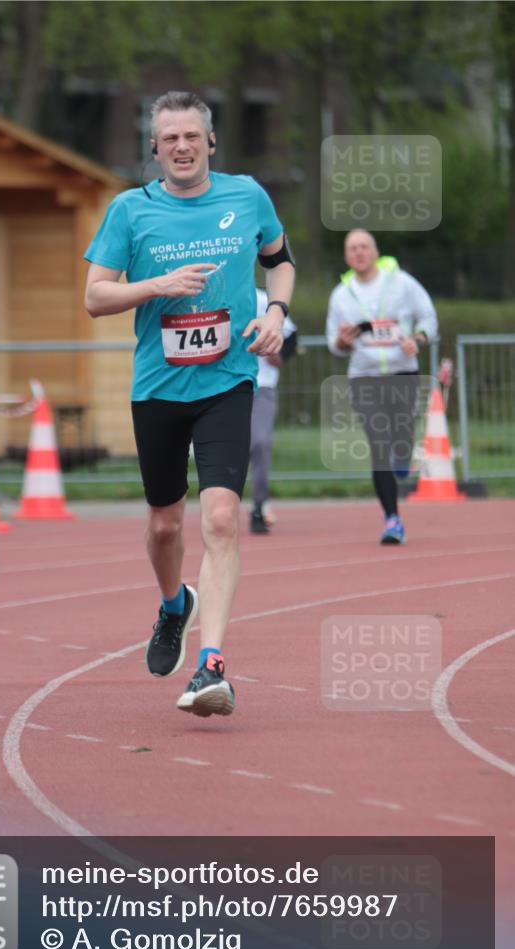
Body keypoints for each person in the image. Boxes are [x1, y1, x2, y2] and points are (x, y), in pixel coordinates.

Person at [84, 91, 295, 717]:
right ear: (154, 147)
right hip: (158, 388)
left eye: (192, 137)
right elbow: (96, 297)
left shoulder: (247, 196)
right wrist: (158, 286)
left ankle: (212, 667)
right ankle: (175, 603)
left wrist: (277, 311)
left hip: (228, 381)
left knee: (223, 518)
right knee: (164, 525)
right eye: (170, 137)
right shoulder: (130, 210)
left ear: (210, 143)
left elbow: (280, 262)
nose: (182, 146)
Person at [326, 229, 437, 544]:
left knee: (401, 438)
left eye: (364, 247)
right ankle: (392, 519)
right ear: (347, 256)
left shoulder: (401, 282)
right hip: (364, 377)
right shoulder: (341, 294)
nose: (359, 253)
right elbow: (334, 343)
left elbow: (428, 317)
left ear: (375, 251)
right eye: (352, 249)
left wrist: (418, 339)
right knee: (379, 445)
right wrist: (342, 341)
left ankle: (403, 456)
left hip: (402, 372)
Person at [249, 287, 297, 534]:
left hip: (262, 384)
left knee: (260, 442)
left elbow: (291, 335)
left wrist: (280, 355)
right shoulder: (217, 295)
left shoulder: (263, 300)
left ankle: (258, 503)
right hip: (223, 385)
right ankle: (219, 507)